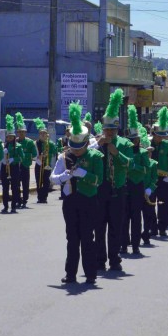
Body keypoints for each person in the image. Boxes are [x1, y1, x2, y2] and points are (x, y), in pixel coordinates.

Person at [51, 103, 104, 285]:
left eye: (79, 147)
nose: (76, 150)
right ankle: (70, 274)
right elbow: (52, 178)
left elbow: (99, 180)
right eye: (73, 146)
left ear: (87, 143)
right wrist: (63, 177)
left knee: (87, 238)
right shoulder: (64, 157)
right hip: (70, 202)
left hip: (89, 201)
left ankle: (90, 274)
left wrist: (84, 175)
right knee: (72, 239)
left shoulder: (95, 157)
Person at [95, 89, 133, 273]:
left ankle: (114, 259)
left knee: (115, 227)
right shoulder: (97, 144)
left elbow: (130, 164)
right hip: (100, 189)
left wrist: (116, 153)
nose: (109, 132)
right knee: (99, 227)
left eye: (112, 129)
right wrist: (98, 146)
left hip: (117, 189)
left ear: (117, 129)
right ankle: (100, 259)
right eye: (106, 129)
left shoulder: (125, 144)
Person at [123, 106, 149, 255]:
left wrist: (134, 166)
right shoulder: (124, 151)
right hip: (126, 185)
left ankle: (135, 245)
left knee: (136, 217)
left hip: (138, 186)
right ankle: (123, 244)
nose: (134, 141)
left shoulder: (143, 152)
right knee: (124, 217)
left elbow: (146, 168)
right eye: (132, 139)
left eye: (136, 139)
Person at [151, 108, 168, 238]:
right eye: (159, 135)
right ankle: (152, 228)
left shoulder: (167, 145)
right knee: (150, 205)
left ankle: (162, 227)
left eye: (163, 135)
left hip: (163, 178)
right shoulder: (148, 143)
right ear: (154, 134)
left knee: (163, 204)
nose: (161, 138)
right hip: (151, 179)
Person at [15, 113, 36, 209]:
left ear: (25, 132)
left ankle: (24, 200)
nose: (21, 134)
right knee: (16, 184)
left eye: (23, 132)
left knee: (25, 184)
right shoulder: (15, 141)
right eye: (19, 132)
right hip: (16, 165)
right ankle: (18, 200)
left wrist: (24, 155)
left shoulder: (29, 142)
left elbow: (34, 154)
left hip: (25, 165)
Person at [2, 115, 22, 214]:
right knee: (5, 188)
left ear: (14, 137)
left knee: (14, 188)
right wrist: (3, 158)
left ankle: (13, 206)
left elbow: (21, 157)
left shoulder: (18, 146)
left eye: (11, 137)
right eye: (8, 137)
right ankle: (5, 206)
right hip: (5, 168)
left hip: (14, 168)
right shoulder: (3, 145)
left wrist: (13, 159)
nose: (9, 138)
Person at [34, 118, 57, 203]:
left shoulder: (51, 143)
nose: (43, 135)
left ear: (47, 135)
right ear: (39, 135)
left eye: (44, 133)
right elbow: (33, 154)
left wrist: (48, 154)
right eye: (41, 133)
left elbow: (55, 153)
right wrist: (39, 157)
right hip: (39, 164)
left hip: (47, 164)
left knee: (46, 181)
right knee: (39, 181)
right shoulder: (36, 143)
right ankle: (39, 197)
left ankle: (44, 197)